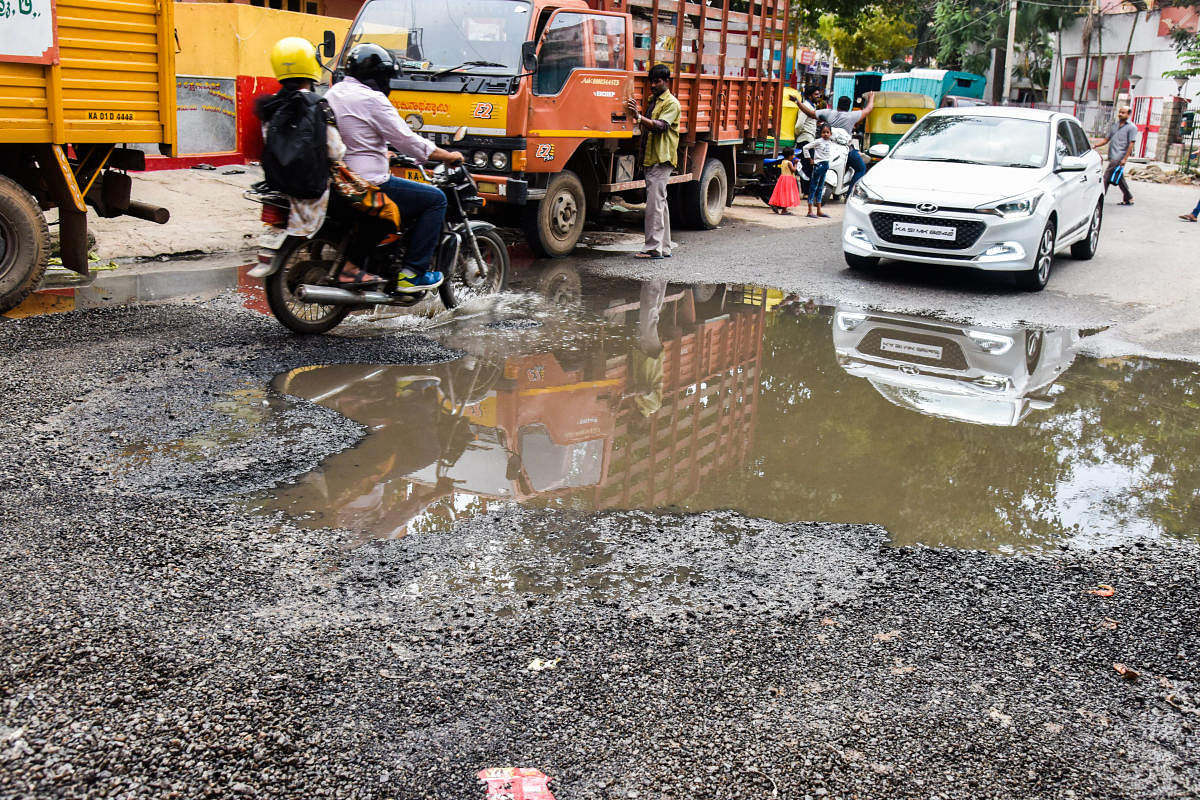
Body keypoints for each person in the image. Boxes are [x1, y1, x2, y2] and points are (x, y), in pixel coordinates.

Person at [252, 38, 393, 286]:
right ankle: (352, 269)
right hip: (315, 187)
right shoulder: (316, 105)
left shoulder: (271, 106)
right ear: (311, 66)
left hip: (280, 184)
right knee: (386, 211)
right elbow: (335, 150)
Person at [324, 43, 465, 288]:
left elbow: (354, 136)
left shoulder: (334, 93)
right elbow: (407, 140)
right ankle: (412, 274)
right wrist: (446, 155)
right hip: (367, 182)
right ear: (379, 75)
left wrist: (382, 153)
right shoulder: (372, 99)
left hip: (339, 179)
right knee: (435, 200)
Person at [626, 64, 681, 259]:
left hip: (661, 158)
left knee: (654, 204)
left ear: (667, 81)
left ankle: (653, 248)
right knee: (660, 204)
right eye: (652, 81)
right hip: (652, 158)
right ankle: (663, 247)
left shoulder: (671, 103)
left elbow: (661, 126)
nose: (653, 85)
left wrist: (639, 117)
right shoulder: (654, 101)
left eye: (657, 81)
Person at [800, 91, 874, 191]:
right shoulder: (853, 116)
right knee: (861, 168)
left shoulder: (828, 113)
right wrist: (871, 97)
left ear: (837, 105)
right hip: (845, 149)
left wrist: (797, 102)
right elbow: (869, 109)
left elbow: (810, 113)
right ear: (849, 107)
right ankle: (849, 195)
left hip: (828, 147)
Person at [1093, 105, 1138, 206]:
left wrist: (1125, 158)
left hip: (1120, 156)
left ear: (1129, 114)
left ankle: (1100, 198)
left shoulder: (1131, 128)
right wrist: (1095, 145)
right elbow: (1106, 140)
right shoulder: (1114, 126)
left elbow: (1131, 144)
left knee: (1106, 177)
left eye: (1123, 112)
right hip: (1112, 155)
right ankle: (1128, 197)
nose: (1120, 114)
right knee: (1119, 178)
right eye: (1120, 112)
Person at [802, 123, 834, 218]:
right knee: (813, 188)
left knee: (820, 188)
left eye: (827, 132)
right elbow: (805, 147)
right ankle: (810, 211)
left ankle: (819, 210)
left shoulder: (830, 142)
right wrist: (810, 159)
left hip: (825, 165)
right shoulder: (818, 141)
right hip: (818, 166)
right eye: (824, 132)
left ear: (830, 134)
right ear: (821, 133)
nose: (826, 134)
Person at [767, 147, 801, 214]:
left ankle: (775, 204)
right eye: (793, 155)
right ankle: (784, 210)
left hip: (782, 178)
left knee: (782, 193)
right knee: (787, 194)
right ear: (790, 155)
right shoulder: (789, 163)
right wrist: (796, 164)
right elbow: (793, 170)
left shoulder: (783, 161)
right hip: (788, 179)